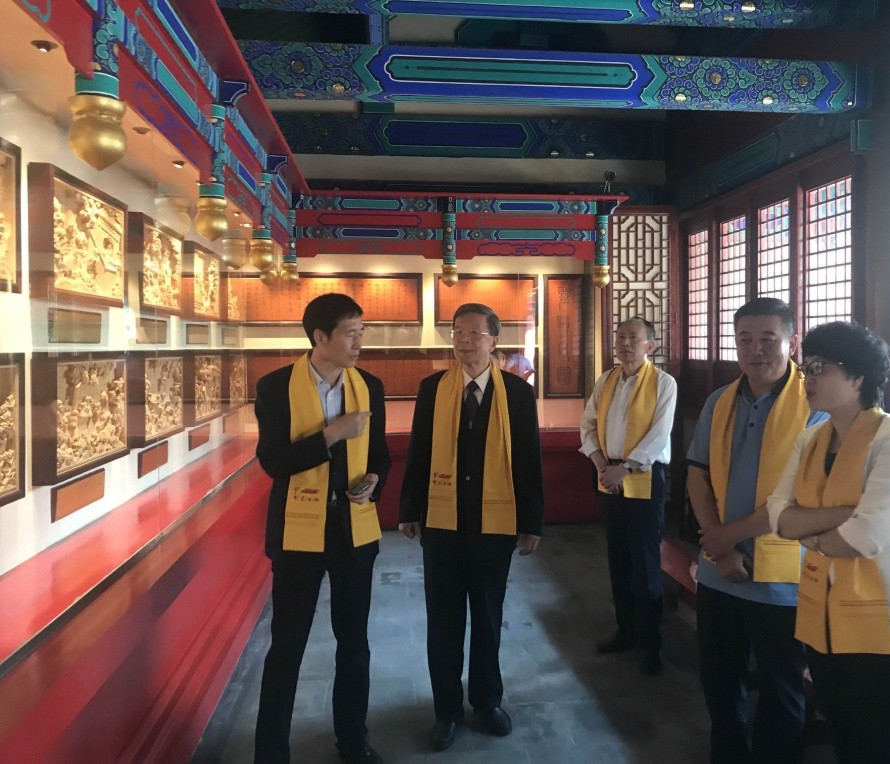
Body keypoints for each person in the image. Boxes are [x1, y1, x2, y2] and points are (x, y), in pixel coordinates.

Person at [767, 322, 890, 764]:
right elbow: (778, 516)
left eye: (820, 368)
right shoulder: (811, 438)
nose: (807, 379)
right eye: (806, 368)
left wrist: (808, 531)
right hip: (823, 601)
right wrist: (844, 516)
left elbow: (868, 537)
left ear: (858, 376)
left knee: (881, 743)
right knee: (843, 731)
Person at [686, 297, 827, 764]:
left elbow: (803, 495)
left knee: (782, 689)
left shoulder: (815, 405)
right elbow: (697, 474)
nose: (755, 349)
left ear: (792, 341)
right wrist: (718, 543)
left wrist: (727, 536)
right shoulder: (720, 400)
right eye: (745, 339)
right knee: (718, 679)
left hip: (784, 581)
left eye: (769, 338)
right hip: (719, 572)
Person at [399, 302, 544, 752]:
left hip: (493, 526)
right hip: (442, 525)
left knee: (487, 616)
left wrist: (531, 522)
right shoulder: (433, 389)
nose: (464, 340)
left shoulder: (517, 394)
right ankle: (446, 710)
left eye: (474, 333)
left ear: (494, 341)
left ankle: (486, 700)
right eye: (457, 332)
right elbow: (419, 450)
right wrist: (409, 508)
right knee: (443, 620)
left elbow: (528, 459)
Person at [253, 293, 390, 764]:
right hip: (297, 535)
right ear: (320, 337)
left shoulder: (369, 386)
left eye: (361, 332)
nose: (359, 343)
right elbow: (273, 462)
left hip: (353, 532)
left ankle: (353, 739)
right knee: (287, 645)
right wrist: (333, 433)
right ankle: (271, 751)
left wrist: (374, 480)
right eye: (350, 334)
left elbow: (379, 456)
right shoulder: (275, 387)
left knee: (354, 643)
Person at [579, 316, 677, 675]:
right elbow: (587, 424)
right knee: (617, 557)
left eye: (633, 338)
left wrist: (626, 467)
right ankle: (625, 630)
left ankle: (650, 643)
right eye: (620, 337)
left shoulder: (663, 383)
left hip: (644, 477)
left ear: (650, 345)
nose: (624, 344)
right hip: (607, 474)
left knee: (645, 563)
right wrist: (599, 462)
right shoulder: (606, 380)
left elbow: (659, 433)